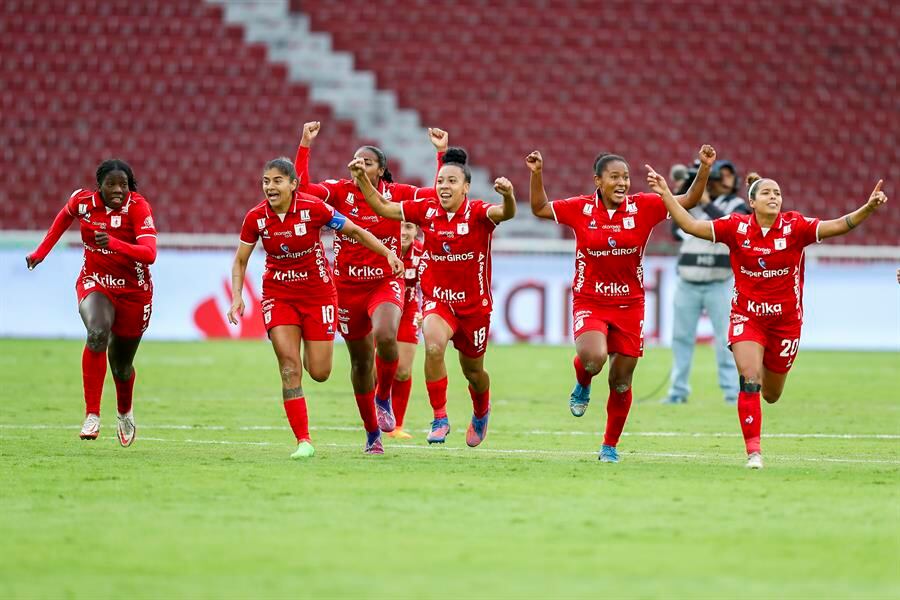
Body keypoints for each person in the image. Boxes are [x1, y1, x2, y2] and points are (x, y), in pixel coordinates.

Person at [646, 166, 888, 469]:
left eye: (777, 193)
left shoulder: (795, 226)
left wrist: (868, 207)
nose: (774, 197)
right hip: (747, 317)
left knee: (771, 394)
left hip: (786, 323)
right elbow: (692, 225)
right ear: (753, 202)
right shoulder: (736, 228)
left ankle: (760, 400)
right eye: (767, 192)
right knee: (749, 379)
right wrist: (667, 194)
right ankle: (754, 452)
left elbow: (838, 225)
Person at [526, 145, 715, 463]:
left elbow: (689, 202)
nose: (622, 182)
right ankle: (583, 382)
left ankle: (609, 446)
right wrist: (536, 173)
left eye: (626, 177)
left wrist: (705, 169)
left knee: (622, 381)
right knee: (593, 358)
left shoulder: (645, 206)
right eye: (614, 176)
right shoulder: (580, 208)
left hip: (630, 304)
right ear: (597, 181)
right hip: (591, 299)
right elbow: (540, 208)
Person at [228, 157, 403, 458]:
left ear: (293, 184)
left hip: (318, 294)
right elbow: (241, 260)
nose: (270, 186)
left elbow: (356, 231)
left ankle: (366, 399)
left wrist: (387, 252)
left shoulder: (314, 208)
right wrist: (236, 296)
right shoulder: (255, 218)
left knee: (320, 372)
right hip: (278, 295)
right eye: (266, 181)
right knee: (288, 367)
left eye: (277, 181)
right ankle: (303, 441)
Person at [350, 146, 517, 447]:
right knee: (434, 347)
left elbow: (506, 212)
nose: (444, 187)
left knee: (474, 372)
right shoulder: (425, 210)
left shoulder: (478, 213)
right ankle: (440, 417)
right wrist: (363, 180)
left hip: (474, 308)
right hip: (438, 300)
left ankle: (481, 410)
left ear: (466, 187)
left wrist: (507, 195)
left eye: (451, 181)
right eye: (440, 181)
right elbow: (383, 207)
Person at [294, 122, 444, 439]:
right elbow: (303, 191)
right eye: (356, 160)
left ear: (381, 170)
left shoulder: (397, 194)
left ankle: (383, 397)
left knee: (387, 336)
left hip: (385, 281)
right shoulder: (338, 191)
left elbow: (436, 197)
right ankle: (372, 433)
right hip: (347, 289)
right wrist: (305, 145)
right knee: (361, 364)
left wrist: (441, 155)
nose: (360, 165)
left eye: (368, 161)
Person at [26, 160, 157, 447]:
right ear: (100, 185)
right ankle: (92, 415)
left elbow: (149, 254)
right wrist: (41, 252)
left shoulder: (138, 207)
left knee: (121, 366)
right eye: (112, 184)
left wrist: (113, 243)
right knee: (97, 332)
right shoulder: (83, 202)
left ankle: (124, 411)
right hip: (95, 281)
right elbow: (63, 218)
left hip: (135, 292)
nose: (118, 190)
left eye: (123, 184)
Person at [663, 160, 749, 405]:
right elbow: (674, 229)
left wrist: (706, 204)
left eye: (727, 176)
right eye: (718, 176)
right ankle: (678, 390)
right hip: (688, 280)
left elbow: (733, 228)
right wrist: (685, 193)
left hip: (719, 280)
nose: (723, 181)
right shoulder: (692, 204)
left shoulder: (737, 205)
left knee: (725, 339)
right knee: (681, 337)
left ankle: (732, 391)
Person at [385, 221, 424, 439]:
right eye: (398, 226)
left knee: (403, 371)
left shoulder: (423, 253)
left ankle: (396, 426)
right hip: (382, 310)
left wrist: (426, 312)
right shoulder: (380, 248)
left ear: (416, 231)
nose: (403, 232)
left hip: (408, 310)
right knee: (373, 370)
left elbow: (432, 282)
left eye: (408, 227)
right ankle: (373, 417)